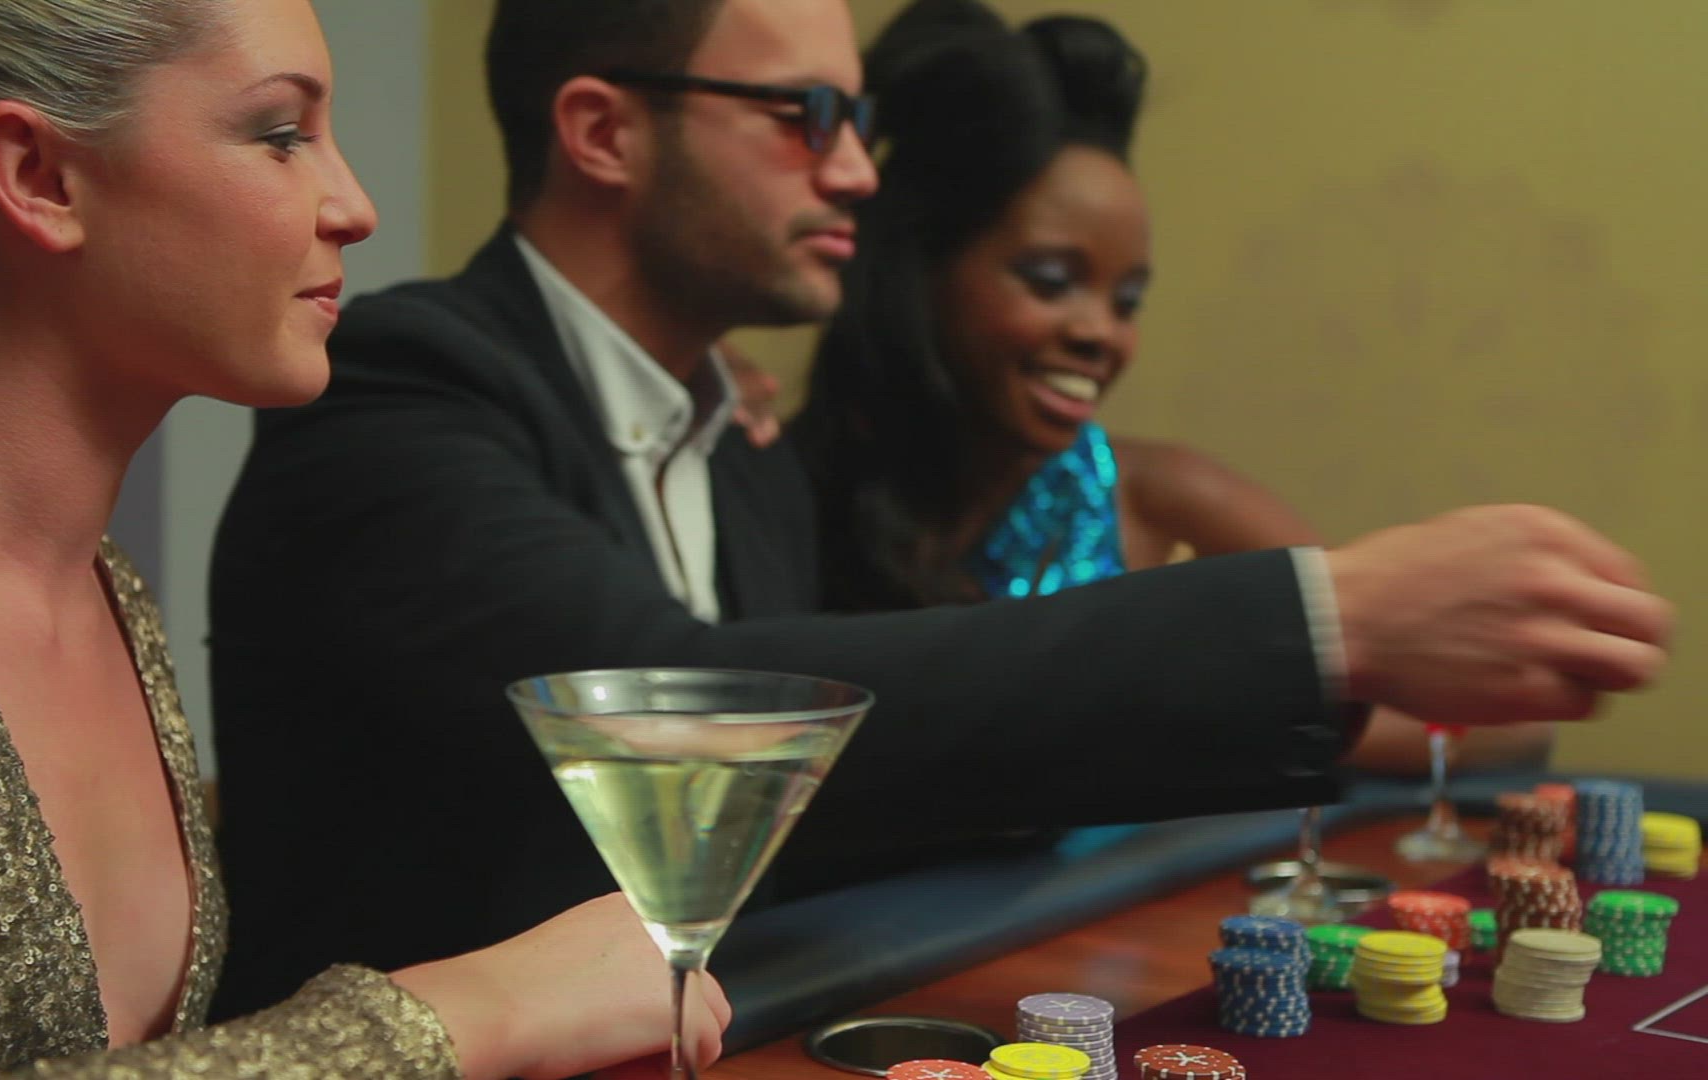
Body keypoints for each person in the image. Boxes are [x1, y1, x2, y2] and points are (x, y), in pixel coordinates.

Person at [205, 0, 1669, 1018]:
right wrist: (1324, 618)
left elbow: (868, 782)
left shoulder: (744, 446)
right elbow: (669, 713)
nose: (856, 168)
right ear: (602, 131)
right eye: (807, 116)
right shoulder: (401, 387)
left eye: (854, 122)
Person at [0, 1, 727, 1076]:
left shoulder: (106, 587)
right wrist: (474, 1011)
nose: (355, 208)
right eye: (280, 134)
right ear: (39, 176)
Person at [796, 0, 1552, 780]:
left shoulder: (1163, 502)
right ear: (919, 269)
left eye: (1128, 302)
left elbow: (1509, 721)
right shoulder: (780, 486)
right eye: (1051, 280)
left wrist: (1196, 715)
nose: (1102, 333)